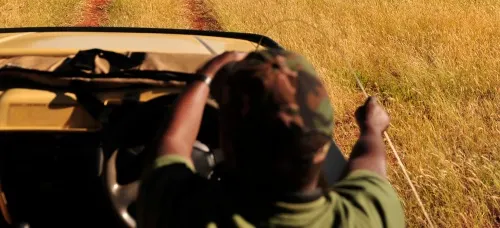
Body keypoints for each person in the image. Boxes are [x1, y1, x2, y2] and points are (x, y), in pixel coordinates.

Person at [137, 50, 405, 228]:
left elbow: (171, 143)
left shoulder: (183, 211)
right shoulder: (373, 213)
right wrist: (372, 129)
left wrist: (203, 77)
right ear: (323, 145)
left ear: (227, 146)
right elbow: (370, 164)